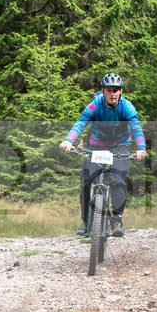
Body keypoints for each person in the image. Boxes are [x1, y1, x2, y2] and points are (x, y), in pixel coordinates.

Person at [60, 73, 147, 237]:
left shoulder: (127, 107)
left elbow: (136, 127)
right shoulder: (95, 105)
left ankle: (116, 221)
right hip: (97, 145)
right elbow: (81, 122)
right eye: (109, 90)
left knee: (118, 180)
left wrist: (141, 148)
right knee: (87, 181)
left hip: (120, 145)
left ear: (121, 92)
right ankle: (86, 221)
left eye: (116, 90)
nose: (112, 94)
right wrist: (69, 140)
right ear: (103, 91)